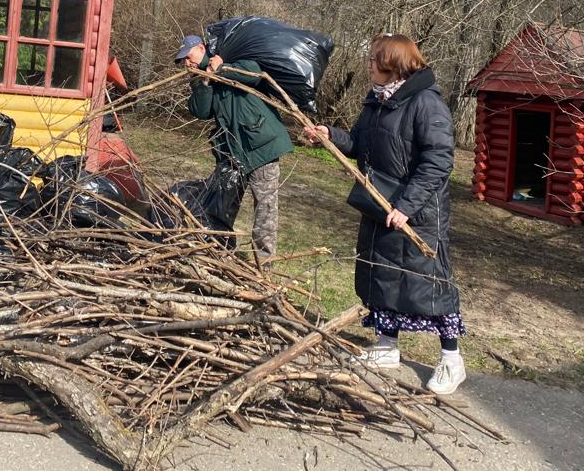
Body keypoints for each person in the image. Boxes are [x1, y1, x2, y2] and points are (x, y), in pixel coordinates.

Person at [305, 33, 465, 395]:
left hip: (418, 213)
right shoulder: (376, 103)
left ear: (393, 65)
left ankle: (452, 360)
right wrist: (329, 134)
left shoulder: (426, 103)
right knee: (382, 276)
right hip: (379, 205)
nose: (369, 65)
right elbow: (360, 144)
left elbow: (438, 161)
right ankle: (386, 346)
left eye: (374, 60)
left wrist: (407, 207)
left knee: (431, 286)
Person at [175, 34, 293, 259]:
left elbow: (255, 74)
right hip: (231, 154)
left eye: (187, 57)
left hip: (261, 147)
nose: (186, 63)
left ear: (201, 48)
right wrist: (206, 81)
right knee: (222, 210)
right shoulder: (199, 78)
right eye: (182, 61)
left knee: (265, 213)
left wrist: (222, 68)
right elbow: (201, 110)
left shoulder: (229, 58)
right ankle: (219, 258)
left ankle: (264, 267)